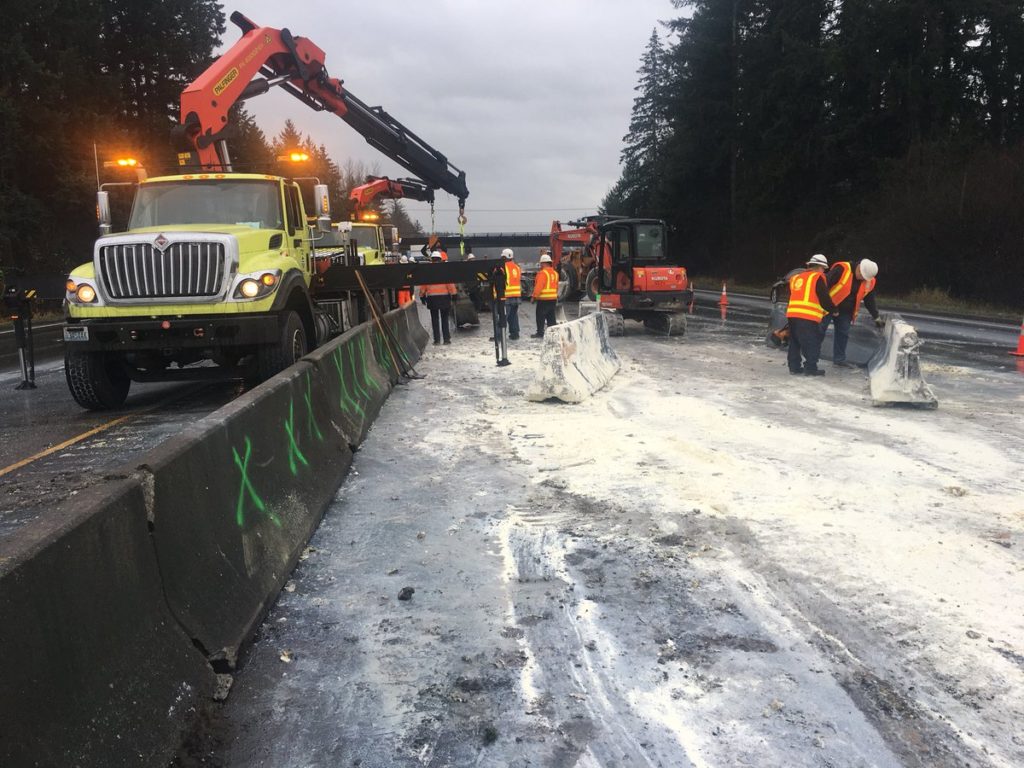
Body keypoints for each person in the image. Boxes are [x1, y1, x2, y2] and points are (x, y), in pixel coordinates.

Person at [821, 258, 881, 367]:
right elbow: (824, 285)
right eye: (861, 275)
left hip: (846, 311)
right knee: (819, 330)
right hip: (828, 306)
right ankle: (811, 356)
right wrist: (821, 302)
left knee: (843, 334)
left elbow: (870, 300)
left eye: (864, 277)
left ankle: (839, 359)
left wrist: (876, 316)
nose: (862, 278)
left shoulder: (869, 281)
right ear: (858, 267)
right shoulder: (842, 269)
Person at [785, 254, 834, 376]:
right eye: (824, 268)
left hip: (792, 314)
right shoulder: (817, 277)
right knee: (812, 342)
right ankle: (811, 368)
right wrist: (834, 309)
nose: (824, 271)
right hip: (808, 316)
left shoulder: (796, 278)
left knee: (795, 342)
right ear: (820, 267)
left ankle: (794, 367)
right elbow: (824, 298)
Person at [418, 251, 457, 345]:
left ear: (432, 259)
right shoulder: (444, 270)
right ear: (440, 259)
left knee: (435, 320)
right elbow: (450, 284)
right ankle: (446, 339)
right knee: (444, 319)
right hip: (444, 298)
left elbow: (424, 285)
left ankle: (437, 340)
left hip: (432, 299)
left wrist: (422, 296)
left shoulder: (427, 271)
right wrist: (454, 295)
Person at [531, 253, 559, 338]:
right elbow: (556, 286)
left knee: (540, 316)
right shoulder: (555, 273)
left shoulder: (542, 273)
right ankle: (553, 333)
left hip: (543, 299)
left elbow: (539, 286)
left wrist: (534, 296)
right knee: (551, 317)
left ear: (543, 263)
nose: (540, 265)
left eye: (541, 263)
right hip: (553, 299)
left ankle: (540, 333)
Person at [502, 248, 522, 339]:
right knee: (513, 316)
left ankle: (499, 335)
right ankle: (515, 334)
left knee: (503, 316)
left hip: (506, 296)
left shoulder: (503, 267)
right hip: (516, 296)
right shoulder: (517, 267)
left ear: (504, 257)